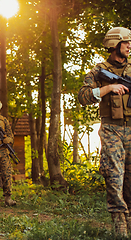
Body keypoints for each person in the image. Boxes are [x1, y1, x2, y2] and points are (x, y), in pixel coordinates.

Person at [78, 27, 131, 236]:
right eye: (126, 42)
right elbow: (83, 96)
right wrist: (108, 88)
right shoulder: (99, 71)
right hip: (111, 129)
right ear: (115, 44)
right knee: (114, 176)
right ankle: (120, 225)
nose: (129, 46)